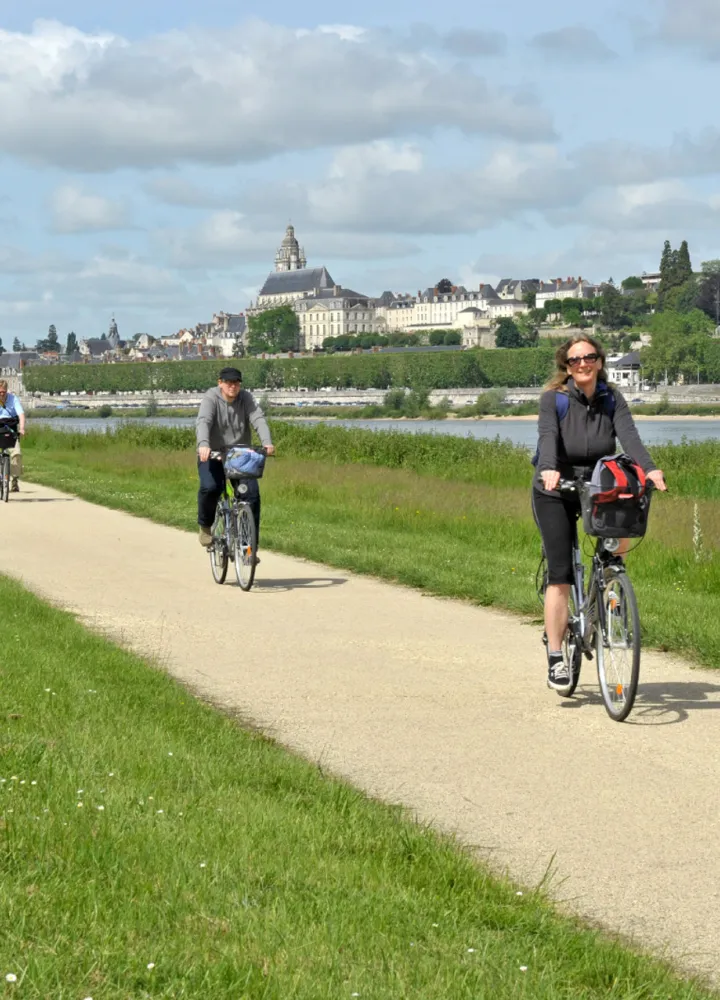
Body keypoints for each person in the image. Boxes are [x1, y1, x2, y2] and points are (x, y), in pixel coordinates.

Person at [532, 335, 667, 691]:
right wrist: (548, 468)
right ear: (566, 366)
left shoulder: (611, 398)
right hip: (555, 486)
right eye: (575, 360)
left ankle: (609, 597)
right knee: (560, 574)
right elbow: (547, 437)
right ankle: (557, 656)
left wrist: (650, 470)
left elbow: (630, 437)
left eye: (589, 357)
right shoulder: (554, 400)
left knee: (619, 538)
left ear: (599, 361)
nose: (583, 364)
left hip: (598, 483)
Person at [196, 367, 275, 550]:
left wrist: (267, 442)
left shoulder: (245, 398)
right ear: (220, 383)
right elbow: (204, 421)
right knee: (210, 488)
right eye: (229, 382)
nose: (233, 386)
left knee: (251, 496)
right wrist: (203, 444)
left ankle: (249, 548)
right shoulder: (211, 398)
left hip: (240, 455)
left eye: (236, 383)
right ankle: (205, 526)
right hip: (212, 454)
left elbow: (258, 419)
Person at [0, 379, 25, 492]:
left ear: (7, 391)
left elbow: (21, 414)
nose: (1, 394)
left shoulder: (13, 399)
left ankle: (14, 480)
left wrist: (22, 428)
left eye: (3, 392)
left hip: (11, 429)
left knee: (17, 454)